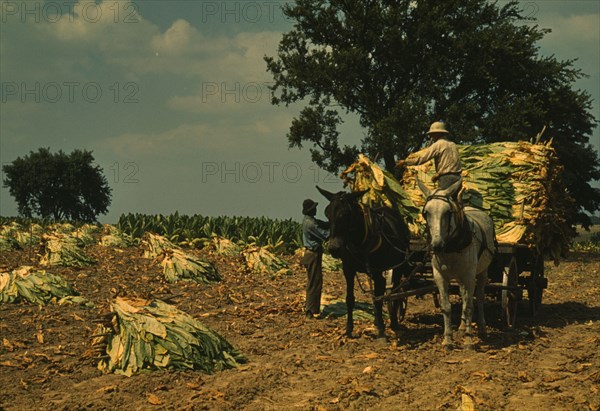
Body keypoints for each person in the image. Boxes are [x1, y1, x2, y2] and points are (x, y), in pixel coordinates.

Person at [396, 121, 463, 190]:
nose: (431, 136)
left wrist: (405, 162)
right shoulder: (453, 145)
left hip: (446, 179)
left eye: (433, 134)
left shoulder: (437, 145)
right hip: (458, 178)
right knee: (455, 200)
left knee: (443, 199)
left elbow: (421, 159)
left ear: (438, 133)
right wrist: (438, 175)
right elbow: (451, 165)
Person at [301, 199, 329, 319]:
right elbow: (325, 234)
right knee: (314, 282)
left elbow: (321, 223)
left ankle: (312, 309)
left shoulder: (310, 220)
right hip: (313, 255)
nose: (316, 209)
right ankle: (310, 311)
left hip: (310, 254)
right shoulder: (310, 224)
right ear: (311, 210)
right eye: (314, 208)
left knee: (315, 281)